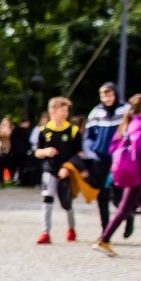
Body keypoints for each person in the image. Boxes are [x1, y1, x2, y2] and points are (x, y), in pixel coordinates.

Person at [94, 94, 141, 255]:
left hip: (128, 169)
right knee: (124, 208)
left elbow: (113, 147)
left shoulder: (128, 123)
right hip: (135, 171)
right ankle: (104, 240)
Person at [35, 96, 82, 245]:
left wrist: (68, 167)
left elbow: (78, 154)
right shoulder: (44, 131)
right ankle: (45, 232)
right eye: (62, 110)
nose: (65, 113)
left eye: (66, 110)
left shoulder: (72, 131)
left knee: (66, 203)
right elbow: (36, 152)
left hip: (65, 171)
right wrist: (45, 152)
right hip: (49, 170)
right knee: (47, 199)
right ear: (52, 111)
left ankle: (71, 228)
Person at [85, 83, 127, 231]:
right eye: (104, 95)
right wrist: (94, 147)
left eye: (110, 95)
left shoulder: (125, 110)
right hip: (100, 158)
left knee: (119, 195)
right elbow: (88, 135)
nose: (107, 98)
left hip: (119, 159)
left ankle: (129, 217)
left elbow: (130, 132)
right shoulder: (96, 112)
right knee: (102, 195)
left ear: (115, 95)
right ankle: (105, 229)